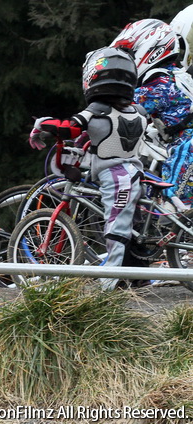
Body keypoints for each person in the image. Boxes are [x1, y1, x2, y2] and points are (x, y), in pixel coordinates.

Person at [28, 46, 148, 290]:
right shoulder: (139, 111)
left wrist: (43, 124)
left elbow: (69, 128)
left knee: (116, 229)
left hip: (115, 177)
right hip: (135, 172)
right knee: (134, 227)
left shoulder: (96, 111)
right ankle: (138, 274)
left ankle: (109, 284)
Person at [110, 18, 193, 204]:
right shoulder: (174, 76)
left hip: (186, 152)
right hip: (181, 147)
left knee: (176, 216)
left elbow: (120, 111)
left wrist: (80, 124)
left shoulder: (159, 84)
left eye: (130, 53)